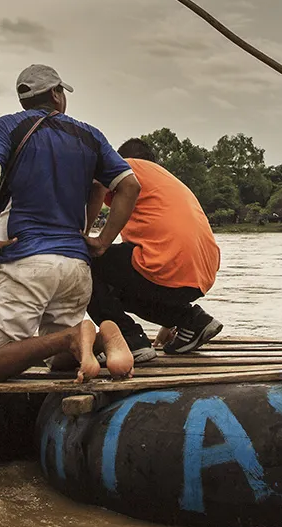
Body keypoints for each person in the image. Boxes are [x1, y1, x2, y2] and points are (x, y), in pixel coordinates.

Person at [0, 64, 141, 383]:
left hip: (25, 261)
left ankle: (71, 338)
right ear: (55, 94)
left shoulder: (8, 126)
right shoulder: (89, 134)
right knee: (59, 363)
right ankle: (99, 337)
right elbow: (128, 185)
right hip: (76, 266)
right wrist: (100, 240)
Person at [86, 137, 223, 360]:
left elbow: (96, 185)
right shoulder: (166, 180)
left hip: (167, 264)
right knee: (120, 290)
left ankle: (129, 340)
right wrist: (169, 319)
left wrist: (89, 237)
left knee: (85, 264)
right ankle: (192, 320)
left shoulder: (128, 166)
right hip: (200, 275)